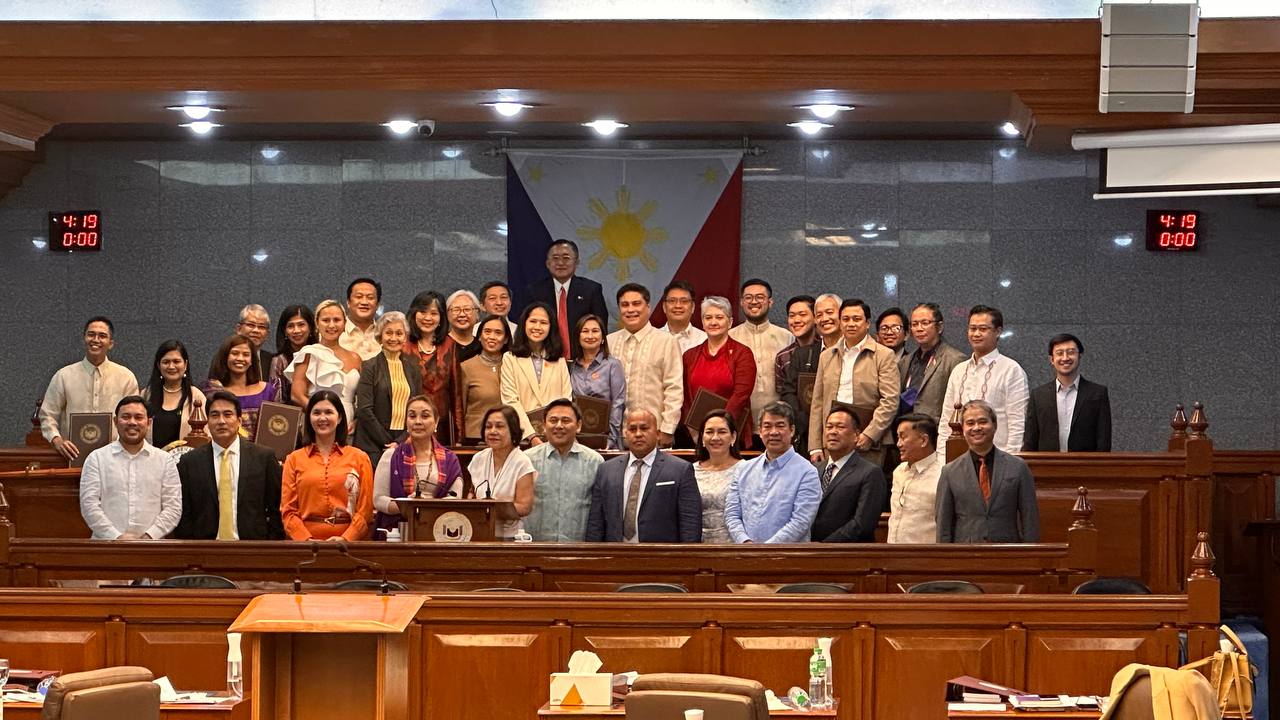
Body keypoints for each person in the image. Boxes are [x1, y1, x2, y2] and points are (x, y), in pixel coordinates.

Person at [172, 390, 285, 540]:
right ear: (207, 421)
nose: (221, 421)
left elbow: (276, 508)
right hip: (205, 550)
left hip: (253, 548)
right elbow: (184, 513)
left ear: (240, 420)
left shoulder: (263, 458)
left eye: (227, 414)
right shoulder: (189, 462)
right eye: (214, 415)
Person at [584, 408, 702, 543]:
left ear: (657, 434)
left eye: (644, 428)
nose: (638, 434)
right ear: (625, 434)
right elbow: (596, 523)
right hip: (615, 556)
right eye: (632, 429)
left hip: (662, 557)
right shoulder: (606, 470)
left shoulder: (680, 470)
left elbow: (690, 523)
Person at [806, 299, 900, 466]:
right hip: (832, 440)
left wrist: (870, 434)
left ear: (867, 323)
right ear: (840, 322)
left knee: (864, 488)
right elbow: (818, 402)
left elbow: (890, 401)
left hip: (868, 441)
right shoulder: (827, 356)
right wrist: (814, 446)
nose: (851, 324)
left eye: (856, 319)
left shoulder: (883, 355)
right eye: (846, 319)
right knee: (833, 489)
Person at [78, 395, 181, 540]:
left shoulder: (164, 461)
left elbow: (173, 508)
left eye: (139, 417)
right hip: (106, 548)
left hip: (152, 549)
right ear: (115, 421)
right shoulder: (96, 459)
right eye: (126, 417)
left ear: (149, 422)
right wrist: (116, 537)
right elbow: (89, 506)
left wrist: (149, 537)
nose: (132, 422)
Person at [936, 400, 1040, 543]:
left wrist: (1030, 558)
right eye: (970, 423)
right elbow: (943, 525)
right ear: (963, 428)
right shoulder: (949, 472)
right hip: (965, 556)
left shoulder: (1018, 467)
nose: (977, 428)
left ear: (995, 425)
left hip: (1007, 554)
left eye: (983, 422)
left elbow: (1030, 519)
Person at [40, 316, 140, 461]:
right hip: (72, 457)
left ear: (111, 343)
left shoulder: (126, 377)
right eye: (91, 334)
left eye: (102, 336)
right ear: (84, 339)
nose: (96, 340)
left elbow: (133, 417)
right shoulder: (63, 376)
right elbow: (47, 415)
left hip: (115, 457)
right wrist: (57, 441)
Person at [280, 389, 375, 541]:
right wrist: (306, 539)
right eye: (316, 413)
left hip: (349, 546)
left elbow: (366, 510)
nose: (322, 418)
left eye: (328, 412)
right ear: (309, 418)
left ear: (339, 418)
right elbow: (288, 511)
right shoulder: (293, 459)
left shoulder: (360, 458)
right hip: (305, 546)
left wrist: (346, 539)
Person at [936, 305, 1029, 456]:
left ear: (998, 331)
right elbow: (946, 420)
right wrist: (942, 458)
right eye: (972, 328)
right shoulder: (959, 370)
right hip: (959, 459)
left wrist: (1011, 461)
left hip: (998, 458)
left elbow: (1017, 423)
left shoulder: (1011, 370)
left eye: (983, 329)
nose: (976, 334)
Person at [724, 402, 820, 544]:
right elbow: (731, 514)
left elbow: (801, 522)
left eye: (780, 426)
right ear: (760, 431)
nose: (773, 432)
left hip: (788, 560)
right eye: (767, 426)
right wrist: (745, 542)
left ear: (792, 430)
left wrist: (765, 550)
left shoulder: (807, 472)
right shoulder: (744, 469)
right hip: (745, 556)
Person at [372, 395, 463, 533]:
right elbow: (379, 500)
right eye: (412, 416)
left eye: (425, 416)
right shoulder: (390, 456)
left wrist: (429, 506)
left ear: (436, 422)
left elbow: (455, 498)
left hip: (438, 532)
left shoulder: (450, 459)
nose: (418, 422)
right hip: (397, 532)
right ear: (406, 422)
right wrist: (406, 506)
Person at [608, 283, 683, 447]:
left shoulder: (666, 341)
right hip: (615, 437)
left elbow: (674, 388)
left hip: (654, 435)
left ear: (648, 307)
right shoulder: (609, 342)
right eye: (624, 305)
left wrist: (667, 429)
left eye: (636, 304)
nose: (630, 309)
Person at [447, 405, 536, 539]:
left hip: (510, 537)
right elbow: (472, 493)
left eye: (499, 426)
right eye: (488, 427)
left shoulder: (522, 462)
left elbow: (524, 507)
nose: (492, 431)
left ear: (513, 431)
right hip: (478, 532)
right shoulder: (479, 458)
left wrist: (492, 508)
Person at [524, 399, 605, 541]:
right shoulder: (527, 461)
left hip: (579, 552)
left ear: (578, 425)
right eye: (553, 420)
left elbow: (600, 513)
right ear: (544, 425)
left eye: (566, 420)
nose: (559, 426)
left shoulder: (595, 462)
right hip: (535, 551)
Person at [682, 296, 755, 448]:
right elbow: (686, 397)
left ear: (730, 322)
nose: (713, 322)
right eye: (708, 317)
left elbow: (741, 395)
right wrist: (694, 431)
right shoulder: (690, 356)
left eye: (719, 317)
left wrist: (721, 428)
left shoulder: (742, 353)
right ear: (702, 322)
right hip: (697, 434)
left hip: (732, 432)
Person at [1022, 333, 1112, 452]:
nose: (1065, 358)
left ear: (1079, 356)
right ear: (1052, 360)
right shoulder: (1038, 395)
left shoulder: (1098, 394)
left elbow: (1104, 440)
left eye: (1071, 352)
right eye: (1059, 353)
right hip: (1047, 466)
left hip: (1085, 467)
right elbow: (1030, 439)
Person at [354, 312, 423, 467]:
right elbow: (364, 409)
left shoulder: (414, 368)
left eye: (399, 333)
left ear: (405, 337)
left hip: (404, 441)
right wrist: (387, 442)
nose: (393, 338)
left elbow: (417, 407)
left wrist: (399, 442)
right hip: (373, 444)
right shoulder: (369, 366)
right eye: (388, 333)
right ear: (380, 336)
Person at [810, 406, 886, 542]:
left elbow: (862, 524)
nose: (833, 432)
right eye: (829, 427)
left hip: (848, 555)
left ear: (856, 435)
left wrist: (824, 547)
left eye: (840, 427)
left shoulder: (870, 473)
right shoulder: (813, 470)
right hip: (808, 552)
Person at [501, 302, 574, 444]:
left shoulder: (559, 361)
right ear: (524, 324)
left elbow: (566, 399)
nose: (537, 327)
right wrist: (532, 436)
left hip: (555, 437)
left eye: (543, 323)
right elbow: (510, 401)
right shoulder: (510, 358)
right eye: (533, 321)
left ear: (551, 327)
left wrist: (554, 432)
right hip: (522, 438)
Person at [779, 293, 841, 454]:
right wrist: (805, 423)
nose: (824, 318)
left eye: (830, 312)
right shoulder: (803, 354)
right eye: (819, 314)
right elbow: (788, 392)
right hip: (808, 436)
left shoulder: (853, 354)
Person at [285, 299, 362, 426]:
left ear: (344, 324)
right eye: (326, 320)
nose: (331, 325)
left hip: (349, 425)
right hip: (318, 424)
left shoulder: (355, 358)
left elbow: (365, 399)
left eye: (336, 320)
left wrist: (357, 420)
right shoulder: (309, 353)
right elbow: (297, 395)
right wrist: (321, 414)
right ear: (316, 324)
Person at [728, 278, 793, 426]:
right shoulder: (730, 337)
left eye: (760, 297)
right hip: (740, 420)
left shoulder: (787, 337)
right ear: (741, 302)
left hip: (778, 420)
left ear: (770, 302)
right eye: (748, 298)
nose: (754, 302)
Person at [525, 239, 609, 352]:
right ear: (548, 264)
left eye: (566, 258)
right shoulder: (534, 291)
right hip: (545, 357)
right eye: (555, 258)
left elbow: (601, 326)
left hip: (582, 358)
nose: (560, 263)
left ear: (576, 262)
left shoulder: (591, 290)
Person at [403, 291, 461, 444]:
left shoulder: (450, 345)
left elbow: (456, 393)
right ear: (414, 314)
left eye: (434, 313)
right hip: (408, 424)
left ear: (441, 318)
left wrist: (459, 435)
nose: (428, 318)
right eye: (422, 312)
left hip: (441, 426)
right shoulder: (403, 344)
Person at [204, 333, 281, 441]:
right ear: (225, 357)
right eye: (235, 353)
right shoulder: (214, 390)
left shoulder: (269, 390)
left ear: (251, 360)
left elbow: (278, 428)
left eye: (246, 354)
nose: (240, 358)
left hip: (261, 453)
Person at [899, 302, 965, 423]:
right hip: (907, 430)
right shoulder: (905, 361)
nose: (919, 328)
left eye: (925, 323)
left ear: (939, 327)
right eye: (914, 324)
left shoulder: (955, 359)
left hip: (936, 430)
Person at [568, 314, 626, 449]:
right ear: (578, 336)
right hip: (577, 438)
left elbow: (618, 404)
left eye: (595, 331)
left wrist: (610, 439)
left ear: (602, 338)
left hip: (606, 438)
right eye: (585, 331)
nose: (590, 336)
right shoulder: (571, 367)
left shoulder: (613, 365)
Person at [140, 339, 207, 448]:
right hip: (152, 461)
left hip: (186, 462)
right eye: (166, 362)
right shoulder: (146, 395)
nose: (171, 367)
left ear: (185, 364)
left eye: (176, 361)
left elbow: (206, 436)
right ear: (158, 365)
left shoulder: (196, 397)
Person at [888, 413, 941, 544]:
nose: (898, 444)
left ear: (923, 440)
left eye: (903, 437)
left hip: (925, 557)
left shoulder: (943, 474)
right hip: (892, 554)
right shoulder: (898, 471)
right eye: (897, 437)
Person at [692, 409, 741, 543]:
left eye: (722, 432)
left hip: (735, 546)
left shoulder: (746, 470)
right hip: (697, 546)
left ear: (733, 437)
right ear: (702, 437)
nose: (715, 437)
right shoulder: (690, 471)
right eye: (709, 432)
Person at [459, 314, 510, 442]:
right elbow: (460, 410)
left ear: (506, 339)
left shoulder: (513, 365)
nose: (492, 337)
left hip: (508, 436)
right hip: (475, 438)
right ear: (480, 337)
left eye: (498, 333)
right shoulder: (466, 367)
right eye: (487, 332)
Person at [268, 304, 317, 406]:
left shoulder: (320, 354)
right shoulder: (280, 361)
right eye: (290, 326)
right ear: (285, 331)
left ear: (311, 328)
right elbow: (277, 402)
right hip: (292, 418)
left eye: (301, 325)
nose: (296, 331)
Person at [774, 295, 816, 396]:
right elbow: (783, 393)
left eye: (802, 314)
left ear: (816, 318)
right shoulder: (783, 357)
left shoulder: (827, 349)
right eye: (792, 315)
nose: (796, 320)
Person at [341, 277, 383, 360]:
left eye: (370, 298)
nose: (364, 302)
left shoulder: (385, 334)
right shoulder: (334, 332)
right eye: (359, 297)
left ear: (377, 305)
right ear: (348, 302)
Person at [659, 279, 706, 353]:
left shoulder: (705, 340)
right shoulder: (651, 339)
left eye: (684, 301)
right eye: (672, 301)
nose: (678, 306)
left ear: (693, 307)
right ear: (664, 307)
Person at [235, 304, 274, 379]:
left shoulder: (272, 361)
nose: (256, 330)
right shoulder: (227, 358)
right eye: (251, 325)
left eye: (261, 327)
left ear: (267, 334)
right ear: (238, 329)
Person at [446, 289, 483, 362]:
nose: (462, 314)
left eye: (467, 309)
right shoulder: (439, 345)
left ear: (477, 314)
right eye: (456, 310)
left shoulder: (484, 347)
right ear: (447, 314)